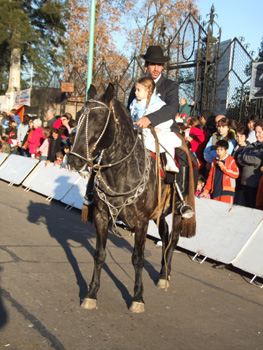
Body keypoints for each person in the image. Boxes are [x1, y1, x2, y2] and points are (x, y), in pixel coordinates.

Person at [130, 76, 181, 172]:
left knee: (166, 139)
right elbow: (132, 117)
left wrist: (157, 127)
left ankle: (170, 163)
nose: (135, 92)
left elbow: (168, 118)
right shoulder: (134, 103)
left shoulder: (157, 103)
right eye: (135, 90)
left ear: (148, 90)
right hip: (139, 132)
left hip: (155, 130)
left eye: (138, 90)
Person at [128, 45, 179, 133]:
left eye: (159, 65)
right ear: (146, 66)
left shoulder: (170, 85)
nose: (156, 68)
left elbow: (172, 108)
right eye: (152, 64)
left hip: (165, 130)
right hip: (138, 129)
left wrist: (149, 119)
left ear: (163, 66)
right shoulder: (137, 87)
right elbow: (129, 109)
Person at [200, 140, 239, 204]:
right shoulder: (214, 162)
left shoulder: (231, 160)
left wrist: (224, 168)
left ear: (226, 150)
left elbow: (236, 174)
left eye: (221, 150)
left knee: (226, 211)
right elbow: (210, 177)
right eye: (217, 150)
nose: (219, 152)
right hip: (216, 191)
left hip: (227, 191)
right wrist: (206, 191)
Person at [237, 119, 263, 208]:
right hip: (244, 183)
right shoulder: (251, 145)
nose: (257, 135)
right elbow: (239, 158)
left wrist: (245, 157)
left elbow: (257, 160)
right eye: (256, 132)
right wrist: (246, 158)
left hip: (255, 185)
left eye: (259, 132)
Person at [232, 124, 249, 205]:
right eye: (237, 136)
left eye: (241, 136)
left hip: (241, 177)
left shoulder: (247, 148)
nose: (238, 139)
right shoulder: (236, 147)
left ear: (246, 137)